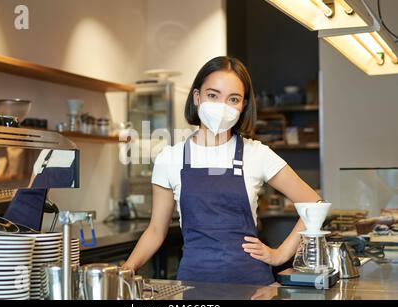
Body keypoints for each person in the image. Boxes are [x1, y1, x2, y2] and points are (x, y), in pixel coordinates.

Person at [123, 56, 322, 285]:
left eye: (233, 99)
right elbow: (156, 231)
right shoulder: (170, 158)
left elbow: (313, 204)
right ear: (197, 97)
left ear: (243, 105)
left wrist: (280, 254)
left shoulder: (257, 154)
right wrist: (126, 270)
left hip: (252, 286)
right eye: (213, 95)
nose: (222, 107)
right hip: (193, 285)